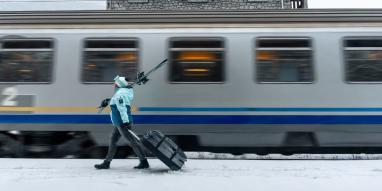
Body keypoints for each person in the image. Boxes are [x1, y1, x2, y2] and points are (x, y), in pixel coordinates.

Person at [94, 75, 149, 170]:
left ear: (119, 85)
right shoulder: (122, 92)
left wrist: (125, 122)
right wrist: (108, 101)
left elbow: (122, 108)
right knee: (113, 140)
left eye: (115, 83)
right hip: (118, 122)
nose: (114, 85)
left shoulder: (121, 94)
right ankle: (107, 162)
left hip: (122, 122)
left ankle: (144, 161)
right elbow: (118, 101)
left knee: (132, 142)